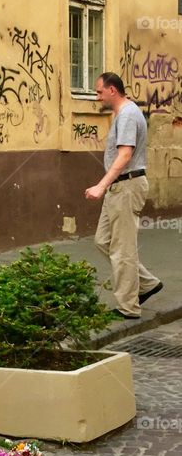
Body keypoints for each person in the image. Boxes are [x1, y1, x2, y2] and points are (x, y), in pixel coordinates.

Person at [84, 71, 163, 319]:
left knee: (122, 249)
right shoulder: (124, 113)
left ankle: (128, 306)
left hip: (126, 186)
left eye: (99, 92)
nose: (97, 97)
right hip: (119, 187)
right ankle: (147, 283)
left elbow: (125, 155)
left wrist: (101, 185)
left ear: (112, 91)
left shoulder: (128, 115)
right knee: (103, 241)